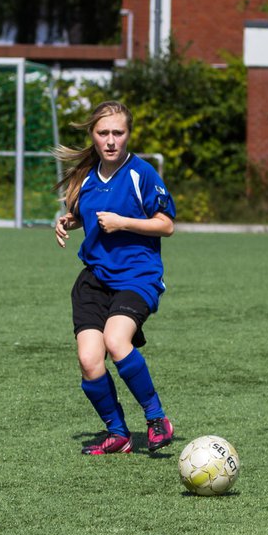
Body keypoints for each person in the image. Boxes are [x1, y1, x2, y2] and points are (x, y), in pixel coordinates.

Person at [53, 101, 177, 455]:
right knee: (90, 359)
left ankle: (157, 419)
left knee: (116, 340)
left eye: (117, 133)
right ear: (93, 136)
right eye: (103, 133)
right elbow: (88, 214)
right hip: (94, 280)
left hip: (137, 278)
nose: (110, 141)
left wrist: (124, 223)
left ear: (128, 135)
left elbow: (166, 225)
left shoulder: (142, 174)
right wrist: (69, 221)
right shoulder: (88, 178)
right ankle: (118, 433)